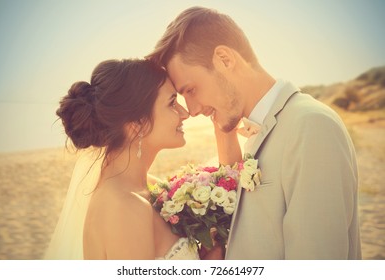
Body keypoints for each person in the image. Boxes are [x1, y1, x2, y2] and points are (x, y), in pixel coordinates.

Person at [147, 6, 361, 259]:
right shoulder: (258, 130)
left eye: (191, 90)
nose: (191, 110)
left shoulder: (310, 126)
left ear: (225, 59)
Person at [44, 58, 203, 259]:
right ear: (136, 124)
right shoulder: (124, 208)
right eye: (172, 102)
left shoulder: (149, 187)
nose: (185, 113)